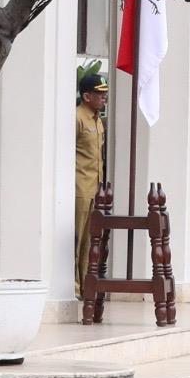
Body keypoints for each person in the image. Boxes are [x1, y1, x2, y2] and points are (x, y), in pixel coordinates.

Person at [74, 62, 106, 298]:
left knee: (90, 242)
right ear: (87, 96)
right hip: (79, 187)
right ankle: (73, 287)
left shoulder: (97, 119)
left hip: (94, 187)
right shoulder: (77, 118)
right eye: (99, 94)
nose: (104, 98)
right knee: (76, 241)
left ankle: (86, 287)